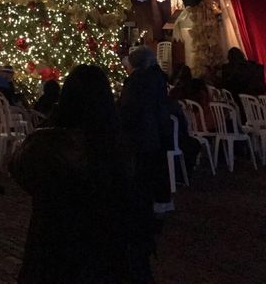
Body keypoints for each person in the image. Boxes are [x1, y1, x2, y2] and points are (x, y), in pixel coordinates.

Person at [11, 64, 154, 284]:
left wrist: (55, 119)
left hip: (52, 250)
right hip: (106, 253)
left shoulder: (46, 144)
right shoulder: (117, 145)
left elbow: (19, 167)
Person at [119, 46, 173, 216]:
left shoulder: (136, 81)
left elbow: (129, 107)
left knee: (144, 169)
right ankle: (162, 201)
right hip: (158, 128)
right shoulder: (157, 78)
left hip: (142, 130)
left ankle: (146, 203)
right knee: (158, 166)